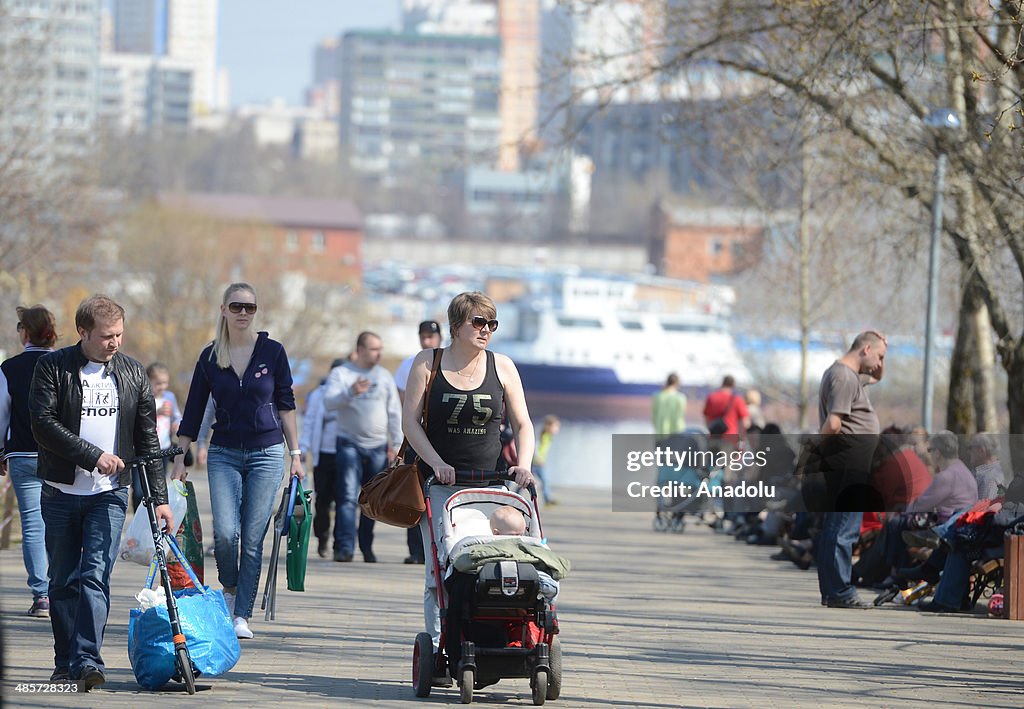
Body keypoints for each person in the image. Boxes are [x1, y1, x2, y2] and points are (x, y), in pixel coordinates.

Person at [29, 295, 173, 688]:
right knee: (63, 580)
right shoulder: (52, 367)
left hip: (109, 495)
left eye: (120, 335)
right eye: (107, 336)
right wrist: (93, 456)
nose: (115, 343)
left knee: (95, 575)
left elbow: (146, 439)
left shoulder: (131, 373)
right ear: (83, 332)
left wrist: (159, 499)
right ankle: (64, 661)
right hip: (60, 491)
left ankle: (88, 661)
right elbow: (42, 424)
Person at [402, 291, 536, 671]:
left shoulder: (503, 366)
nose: (486, 331)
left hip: (491, 481)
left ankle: (502, 634)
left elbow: (523, 423)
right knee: (440, 569)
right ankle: (440, 649)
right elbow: (410, 422)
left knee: (506, 547)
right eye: (478, 322)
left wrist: (523, 465)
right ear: (456, 325)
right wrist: (436, 462)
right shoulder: (428, 363)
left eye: (492, 324)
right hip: (440, 484)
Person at [170, 282, 304, 640]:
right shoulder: (211, 356)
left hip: (268, 453)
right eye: (237, 306)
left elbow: (286, 404)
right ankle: (228, 589)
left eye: (250, 307)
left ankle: (241, 613)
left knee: (252, 538)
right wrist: (181, 455)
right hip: (224, 452)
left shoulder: (273, 352)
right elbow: (195, 408)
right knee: (227, 535)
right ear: (223, 310)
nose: (243, 313)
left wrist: (296, 455)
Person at [815, 330, 886, 610]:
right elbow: (833, 424)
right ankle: (840, 590)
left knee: (836, 525)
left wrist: (885, 350)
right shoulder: (844, 377)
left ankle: (833, 590)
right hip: (847, 462)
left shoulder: (849, 376)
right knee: (844, 528)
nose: (880, 362)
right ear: (865, 349)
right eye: (878, 355)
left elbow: (878, 376)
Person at [323, 331, 403, 563]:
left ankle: (366, 547)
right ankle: (345, 548)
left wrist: (397, 443)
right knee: (347, 497)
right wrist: (350, 392)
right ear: (360, 349)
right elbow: (329, 402)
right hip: (349, 443)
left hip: (378, 446)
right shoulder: (342, 373)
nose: (379, 353)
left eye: (381, 348)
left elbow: (394, 411)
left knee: (372, 501)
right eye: (374, 348)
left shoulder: (384, 376)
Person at [0, 305, 58, 619]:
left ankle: (42, 596)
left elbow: (1, 415)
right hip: (60, 455)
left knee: (33, 527)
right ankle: (63, 589)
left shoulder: (9, 368)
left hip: (22, 454)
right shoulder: (64, 364)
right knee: (61, 523)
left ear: (25, 331)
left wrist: (0, 452)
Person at [393, 320, 444, 564]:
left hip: (441, 437)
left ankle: (436, 550)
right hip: (416, 436)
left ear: (440, 337)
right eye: (423, 336)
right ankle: (416, 551)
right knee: (413, 494)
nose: (427, 341)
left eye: (431, 336)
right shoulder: (410, 364)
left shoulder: (448, 362)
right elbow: (404, 404)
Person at [298, 358, 345, 558]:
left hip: (346, 455)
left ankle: (341, 544)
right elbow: (309, 423)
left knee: (345, 501)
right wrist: (303, 448)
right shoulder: (318, 395)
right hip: (323, 455)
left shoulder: (352, 395)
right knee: (323, 501)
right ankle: (323, 538)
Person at [128, 362, 182, 511]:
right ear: (148, 381)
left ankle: (152, 520)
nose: (162, 387)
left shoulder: (169, 397)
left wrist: (177, 424)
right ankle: (138, 517)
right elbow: (134, 417)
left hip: (162, 448)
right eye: (158, 383)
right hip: (141, 450)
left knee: (157, 487)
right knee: (139, 490)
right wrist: (156, 411)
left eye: (165, 383)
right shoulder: (142, 395)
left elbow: (177, 416)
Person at [967, 432, 1005, 500]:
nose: (969, 452)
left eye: (971, 448)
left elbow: (983, 509)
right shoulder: (980, 472)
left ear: (981, 451)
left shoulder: (991, 479)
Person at [532, 414, 560, 505]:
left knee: (545, 480)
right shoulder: (542, 436)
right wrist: (537, 458)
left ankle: (547, 498)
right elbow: (535, 447)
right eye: (555, 427)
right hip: (536, 463)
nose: (557, 430)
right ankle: (515, 494)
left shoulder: (549, 437)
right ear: (548, 426)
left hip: (540, 463)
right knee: (529, 481)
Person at [652, 373, 687, 438]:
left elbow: (654, 415)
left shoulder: (657, 396)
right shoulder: (680, 397)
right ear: (677, 383)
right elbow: (680, 416)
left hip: (660, 433)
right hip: (676, 433)